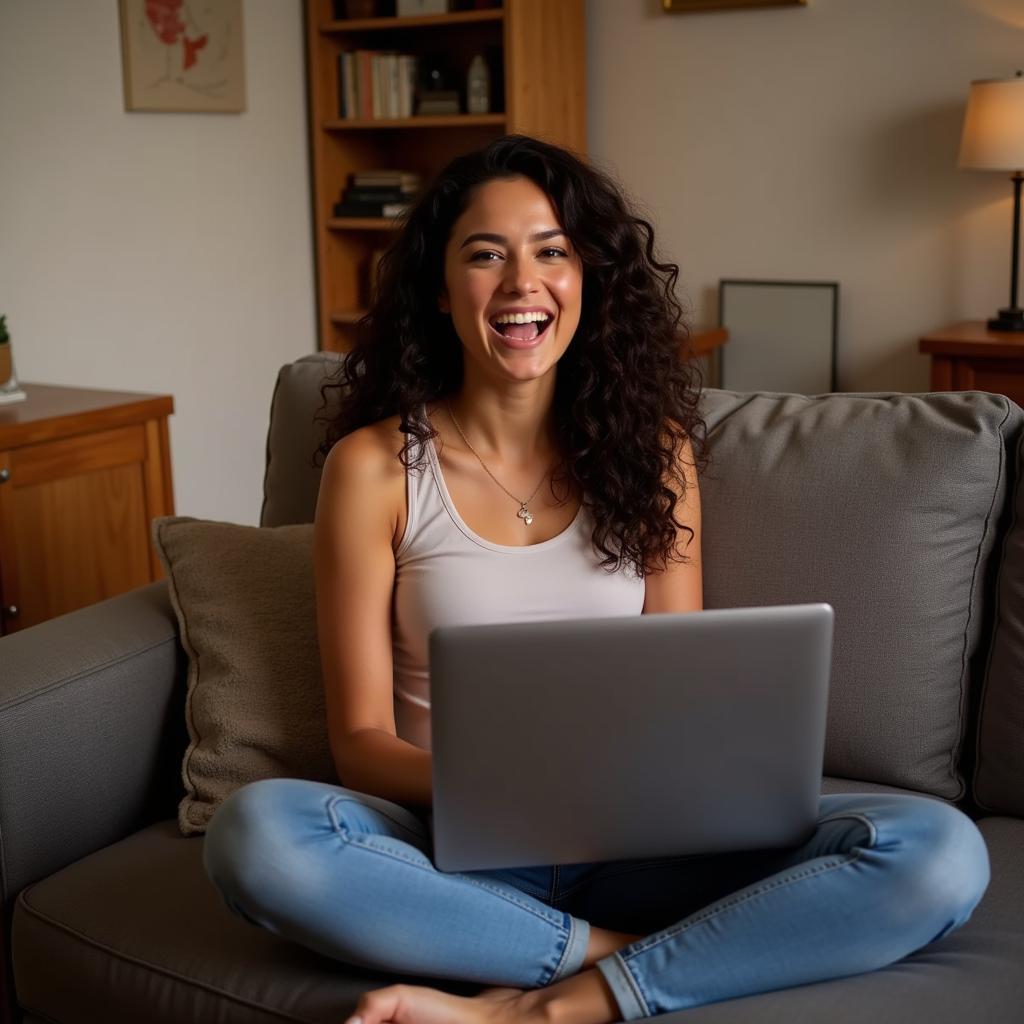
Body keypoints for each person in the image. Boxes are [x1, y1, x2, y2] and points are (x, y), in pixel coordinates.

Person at [202, 135, 991, 1024]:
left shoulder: (653, 455)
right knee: (259, 839)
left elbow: (681, 685)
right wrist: (517, 787)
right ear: (438, 286)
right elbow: (360, 742)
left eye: (551, 252)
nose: (520, 283)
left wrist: (658, 786)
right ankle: (637, 959)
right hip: (452, 848)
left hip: (642, 847)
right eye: (485, 254)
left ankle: (540, 1006)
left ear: (589, 280)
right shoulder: (375, 467)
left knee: (939, 851)